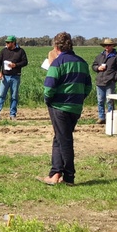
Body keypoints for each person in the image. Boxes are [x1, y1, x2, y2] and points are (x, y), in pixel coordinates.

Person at [39, 32, 92, 186]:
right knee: (60, 138)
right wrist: (79, 98)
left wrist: (48, 100)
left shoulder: (57, 63)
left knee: (65, 140)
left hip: (59, 106)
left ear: (56, 46)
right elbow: (88, 86)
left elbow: (49, 87)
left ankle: (69, 176)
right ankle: (55, 173)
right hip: (75, 107)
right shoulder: (82, 63)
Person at [0, 35, 28, 120]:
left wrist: (16, 65)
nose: (6, 44)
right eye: (6, 42)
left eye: (8, 42)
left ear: (13, 43)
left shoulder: (21, 51)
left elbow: (25, 62)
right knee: (1, 95)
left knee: (14, 96)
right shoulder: (3, 51)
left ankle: (12, 115)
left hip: (15, 77)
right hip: (5, 77)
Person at [91, 38, 117, 124]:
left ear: (113, 46)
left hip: (110, 82)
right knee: (100, 101)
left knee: (110, 101)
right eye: (105, 45)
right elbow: (94, 65)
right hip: (100, 81)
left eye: (109, 45)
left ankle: (111, 117)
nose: (107, 47)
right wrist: (98, 68)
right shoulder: (100, 56)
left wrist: (114, 79)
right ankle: (101, 117)